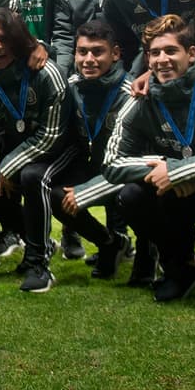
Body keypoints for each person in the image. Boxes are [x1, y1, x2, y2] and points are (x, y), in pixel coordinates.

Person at [102, 15, 195, 308]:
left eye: (171, 51)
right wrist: (163, 167)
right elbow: (111, 161)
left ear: (192, 53)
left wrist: (181, 170)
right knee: (130, 195)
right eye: (155, 53)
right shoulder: (140, 97)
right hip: (175, 191)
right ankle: (181, 267)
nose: (162, 60)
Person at [0, 8, 76, 293]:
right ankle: (38, 242)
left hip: (61, 150)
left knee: (32, 177)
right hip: (18, 155)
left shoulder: (47, 74)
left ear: (19, 41)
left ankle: (39, 263)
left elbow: (52, 135)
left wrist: (7, 167)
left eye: (4, 39)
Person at [49, 21, 135, 281]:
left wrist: (89, 189)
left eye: (97, 52)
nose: (88, 59)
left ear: (116, 54)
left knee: (131, 195)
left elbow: (131, 160)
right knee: (56, 195)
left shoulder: (131, 93)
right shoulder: (71, 87)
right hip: (92, 165)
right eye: (82, 52)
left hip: (127, 172)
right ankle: (109, 242)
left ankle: (141, 253)